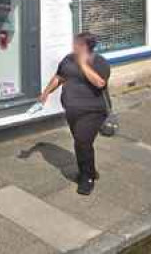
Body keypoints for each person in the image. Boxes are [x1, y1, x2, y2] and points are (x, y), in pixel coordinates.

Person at [39, 32, 111, 195]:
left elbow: (100, 83)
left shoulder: (99, 62)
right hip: (73, 111)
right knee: (81, 143)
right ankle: (90, 170)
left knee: (82, 142)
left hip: (93, 111)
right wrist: (46, 92)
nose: (73, 46)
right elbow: (59, 77)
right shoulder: (68, 59)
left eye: (77, 44)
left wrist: (83, 64)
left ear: (85, 46)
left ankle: (87, 178)